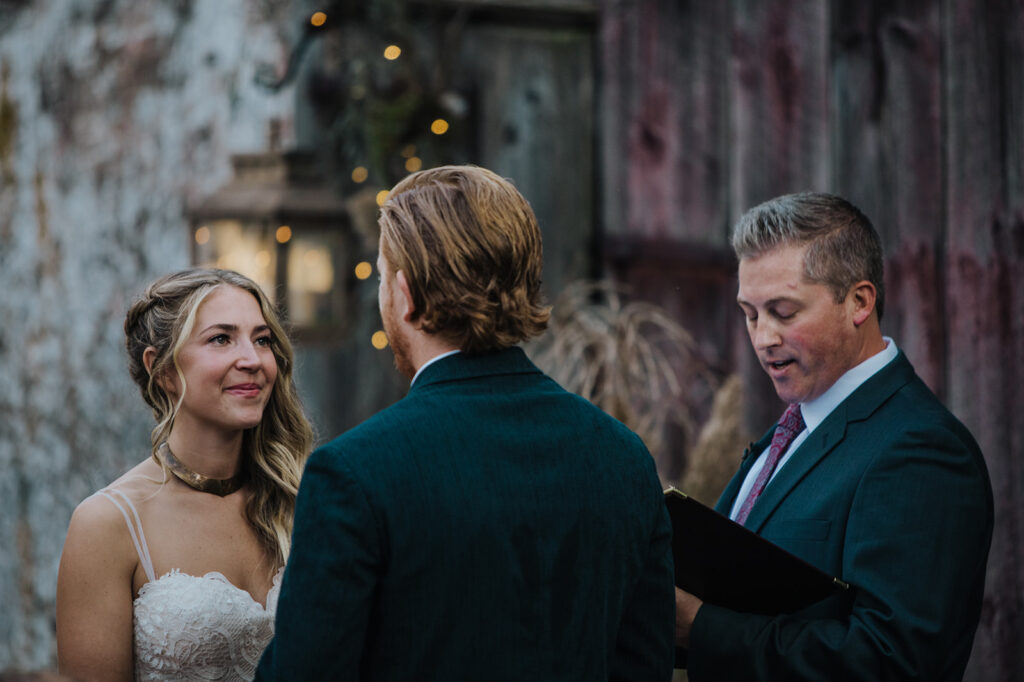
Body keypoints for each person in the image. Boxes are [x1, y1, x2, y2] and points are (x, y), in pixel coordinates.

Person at [255, 165, 675, 680]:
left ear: (405, 294)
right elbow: (647, 664)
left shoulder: (353, 474)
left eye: (383, 276)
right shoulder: (623, 456)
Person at [674, 193, 994, 681]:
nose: (762, 338)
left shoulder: (921, 452)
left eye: (784, 312)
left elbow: (892, 662)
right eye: (751, 313)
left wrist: (700, 628)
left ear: (859, 302)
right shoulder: (796, 426)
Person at [56, 268, 314, 681]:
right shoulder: (107, 523)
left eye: (262, 339)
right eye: (221, 338)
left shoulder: (304, 498)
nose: (252, 360)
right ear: (163, 370)